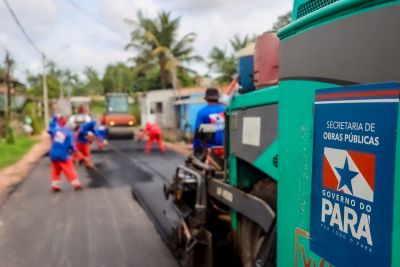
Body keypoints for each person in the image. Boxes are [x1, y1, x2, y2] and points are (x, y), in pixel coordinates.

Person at [48, 121, 84, 192]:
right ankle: (76, 184)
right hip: (63, 156)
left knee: (55, 171)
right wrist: (79, 155)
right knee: (69, 170)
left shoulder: (57, 130)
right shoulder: (69, 134)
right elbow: (72, 147)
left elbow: (49, 130)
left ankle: (55, 186)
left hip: (53, 155)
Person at [192, 88, 225, 155]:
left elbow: (198, 133)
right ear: (218, 98)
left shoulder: (202, 112)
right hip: (226, 149)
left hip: (209, 151)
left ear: (206, 99)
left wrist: (196, 149)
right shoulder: (226, 110)